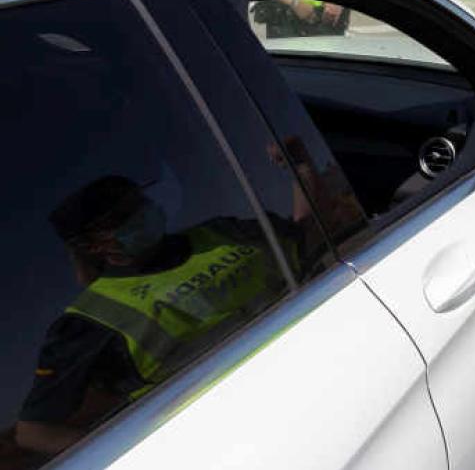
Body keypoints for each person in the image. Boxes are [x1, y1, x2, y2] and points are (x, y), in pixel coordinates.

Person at [14, 177, 303, 457]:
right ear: (92, 246)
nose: (140, 213)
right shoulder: (89, 319)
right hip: (228, 442)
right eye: (121, 216)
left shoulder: (223, 232)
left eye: (138, 201)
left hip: (308, 364)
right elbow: (33, 431)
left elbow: (310, 238)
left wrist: (301, 169)